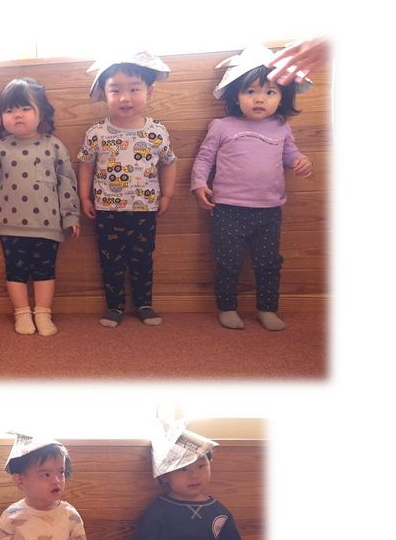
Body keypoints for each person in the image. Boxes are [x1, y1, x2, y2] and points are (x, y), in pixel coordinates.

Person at [191, 45, 314, 331]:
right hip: (228, 209)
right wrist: (199, 184)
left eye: (270, 92)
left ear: (282, 97)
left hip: (269, 210)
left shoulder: (281, 127)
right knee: (228, 262)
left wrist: (301, 161)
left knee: (269, 263)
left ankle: (267, 309)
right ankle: (227, 307)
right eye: (251, 91)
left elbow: (291, 154)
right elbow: (205, 158)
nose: (260, 98)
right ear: (236, 95)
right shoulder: (222, 126)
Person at [0, 78, 80, 336]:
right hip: (10, 226)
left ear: (41, 112)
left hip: (48, 226)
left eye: (25, 108)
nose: (17, 115)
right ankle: (22, 313)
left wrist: (71, 216)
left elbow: (67, 181)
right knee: (15, 272)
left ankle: (43, 313)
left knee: (45, 272)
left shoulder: (53, 145)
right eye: (9, 110)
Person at [76, 52, 177, 327]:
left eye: (134, 89)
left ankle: (144, 303)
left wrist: (167, 195)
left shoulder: (157, 132)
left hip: (145, 208)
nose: (125, 97)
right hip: (107, 209)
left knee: (143, 258)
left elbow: (169, 163)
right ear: (104, 93)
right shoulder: (97, 133)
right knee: (111, 260)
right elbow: (85, 163)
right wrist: (84, 196)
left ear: (149, 91)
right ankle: (115, 306)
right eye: (115, 90)